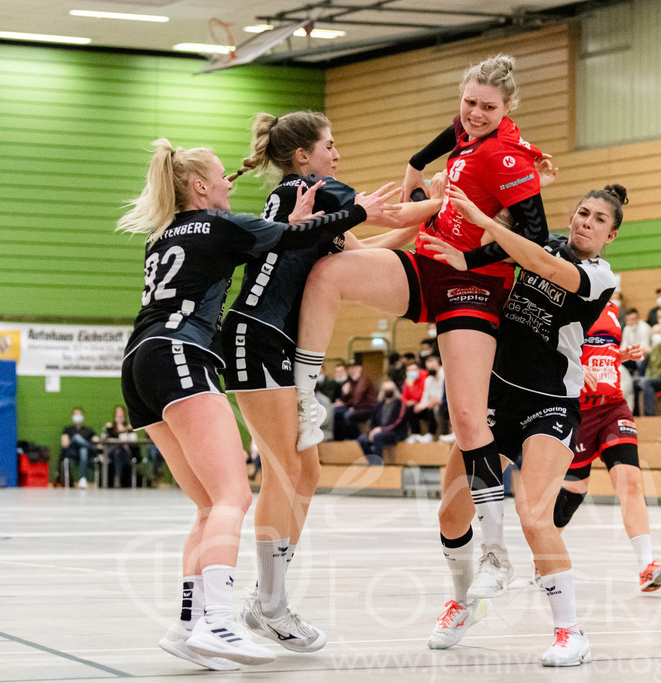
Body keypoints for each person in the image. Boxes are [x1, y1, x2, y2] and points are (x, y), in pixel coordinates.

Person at [117, 137, 388, 669]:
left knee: (207, 503)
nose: (228, 182)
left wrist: (294, 223)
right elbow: (293, 242)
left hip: (137, 363)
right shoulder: (219, 225)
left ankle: (190, 624)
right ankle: (219, 622)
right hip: (180, 352)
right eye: (220, 176)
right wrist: (360, 211)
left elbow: (284, 238)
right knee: (231, 496)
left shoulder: (161, 235)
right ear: (199, 186)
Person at [290, 60, 554, 591]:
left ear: (508, 110)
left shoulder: (506, 155)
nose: (474, 114)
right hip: (427, 263)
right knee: (329, 272)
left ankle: (496, 553)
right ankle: (304, 397)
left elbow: (537, 237)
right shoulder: (467, 132)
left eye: (488, 107)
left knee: (467, 419)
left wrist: (468, 262)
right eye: (469, 102)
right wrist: (416, 163)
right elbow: (450, 136)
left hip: (474, 286)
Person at [218, 109, 423, 654]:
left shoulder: (312, 208)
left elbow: (371, 254)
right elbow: (383, 215)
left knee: (304, 470)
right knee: (283, 469)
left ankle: (268, 601)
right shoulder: (313, 187)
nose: (338, 154)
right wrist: (456, 197)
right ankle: (271, 607)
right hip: (255, 334)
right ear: (303, 157)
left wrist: (423, 222)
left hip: (273, 342)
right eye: (330, 144)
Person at [422, 184, 625, 666]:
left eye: (598, 220)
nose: (586, 223)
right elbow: (499, 249)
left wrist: (487, 221)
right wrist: (465, 254)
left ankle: (570, 631)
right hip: (494, 397)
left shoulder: (599, 277)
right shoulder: (543, 241)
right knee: (450, 515)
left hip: (550, 403)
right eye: (582, 212)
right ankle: (465, 601)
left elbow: (540, 264)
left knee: (534, 515)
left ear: (610, 236)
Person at [553, 299, 661, 592]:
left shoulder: (612, 307)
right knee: (574, 491)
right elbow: (543, 354)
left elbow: (598, 351)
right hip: (577, 412)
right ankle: (543, 546)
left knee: (629, 482)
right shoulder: (564, 302)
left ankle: (646, 567)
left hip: (613, 407)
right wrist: (575, 369)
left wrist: (617, 357)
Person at [358, 380, 407, 465]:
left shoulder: (400, 404)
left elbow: (398, 421)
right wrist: (372, 431)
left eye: (390, 389)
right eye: (386, 389)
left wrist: (382, 429)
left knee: (377, 437)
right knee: (362, 439)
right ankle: (373, 461)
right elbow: (373, 422)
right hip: (379, 432)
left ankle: (378, 464)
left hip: (395, 432)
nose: (388, 391)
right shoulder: (379, 405)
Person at [333, 362, 378, 440]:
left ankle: (353, 438)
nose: (351, 370)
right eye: (350, 368)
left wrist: (351, 407)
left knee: (348, 415)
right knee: (337, 412)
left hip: (367, 408)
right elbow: (348, 398)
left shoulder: (363, 380)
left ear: (359, 368)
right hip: (358, 407)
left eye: (353, 368)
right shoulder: (353, 381)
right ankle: (340, 438)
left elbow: (358, 397)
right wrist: (345, 393)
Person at [60, 408, 99, 489]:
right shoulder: (67, 429)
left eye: (79, 414)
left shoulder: (88, 430)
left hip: (85, 454)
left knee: (83, 450)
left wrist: (96, 439)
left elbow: (96, 440)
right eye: (75, 414)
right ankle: (88, 445)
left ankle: (82, 479)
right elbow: (64, 444)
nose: (77, 416)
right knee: (76, 437)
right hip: (72, 452)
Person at [102, 404, 136, 488]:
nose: (119, 414)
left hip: (126, 451)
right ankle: (118, 477)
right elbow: (108, 440)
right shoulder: (110, 427)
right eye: (117, 412)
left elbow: (133, 440)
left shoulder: (129, 426)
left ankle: (117, 477)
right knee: (118, 451)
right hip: (112, 451)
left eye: (121, 411)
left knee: (120, 452)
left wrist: (126, 430)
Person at [401, 359, 431, 440]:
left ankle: (430, 435)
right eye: (409, 370)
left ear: (418, 369)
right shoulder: (407, 380)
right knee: (408, 409)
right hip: (414, 406)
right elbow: (403, 397)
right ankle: (415, 434)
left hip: (425, 404)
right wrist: (408, 402)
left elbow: (424, 394)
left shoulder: (425, 376)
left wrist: (412, 386)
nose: (411, 372)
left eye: (413, 370)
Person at [621, 308, 651, 376]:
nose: (631, 322)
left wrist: (630, 351)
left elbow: (645, 347)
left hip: (643, 356)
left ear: (638, 318)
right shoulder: (627, 328)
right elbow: (624, 345)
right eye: (629, 320)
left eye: (634, 319)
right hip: (631, 354)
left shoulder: (644, 327)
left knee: (640, 359)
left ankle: (641, 379)